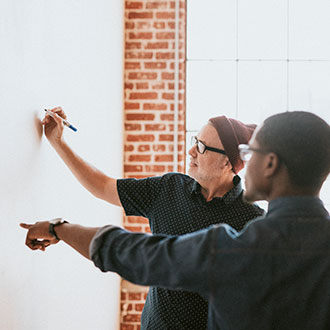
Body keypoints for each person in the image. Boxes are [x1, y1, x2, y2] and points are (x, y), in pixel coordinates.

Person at [21, 111, 330, 330]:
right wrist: (59, 142)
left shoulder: (237, 244)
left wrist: (58, 228)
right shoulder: (171, 188)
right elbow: (105, 188)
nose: (191, 151)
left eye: (252, 153)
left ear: (270, 163)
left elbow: (136, 253)